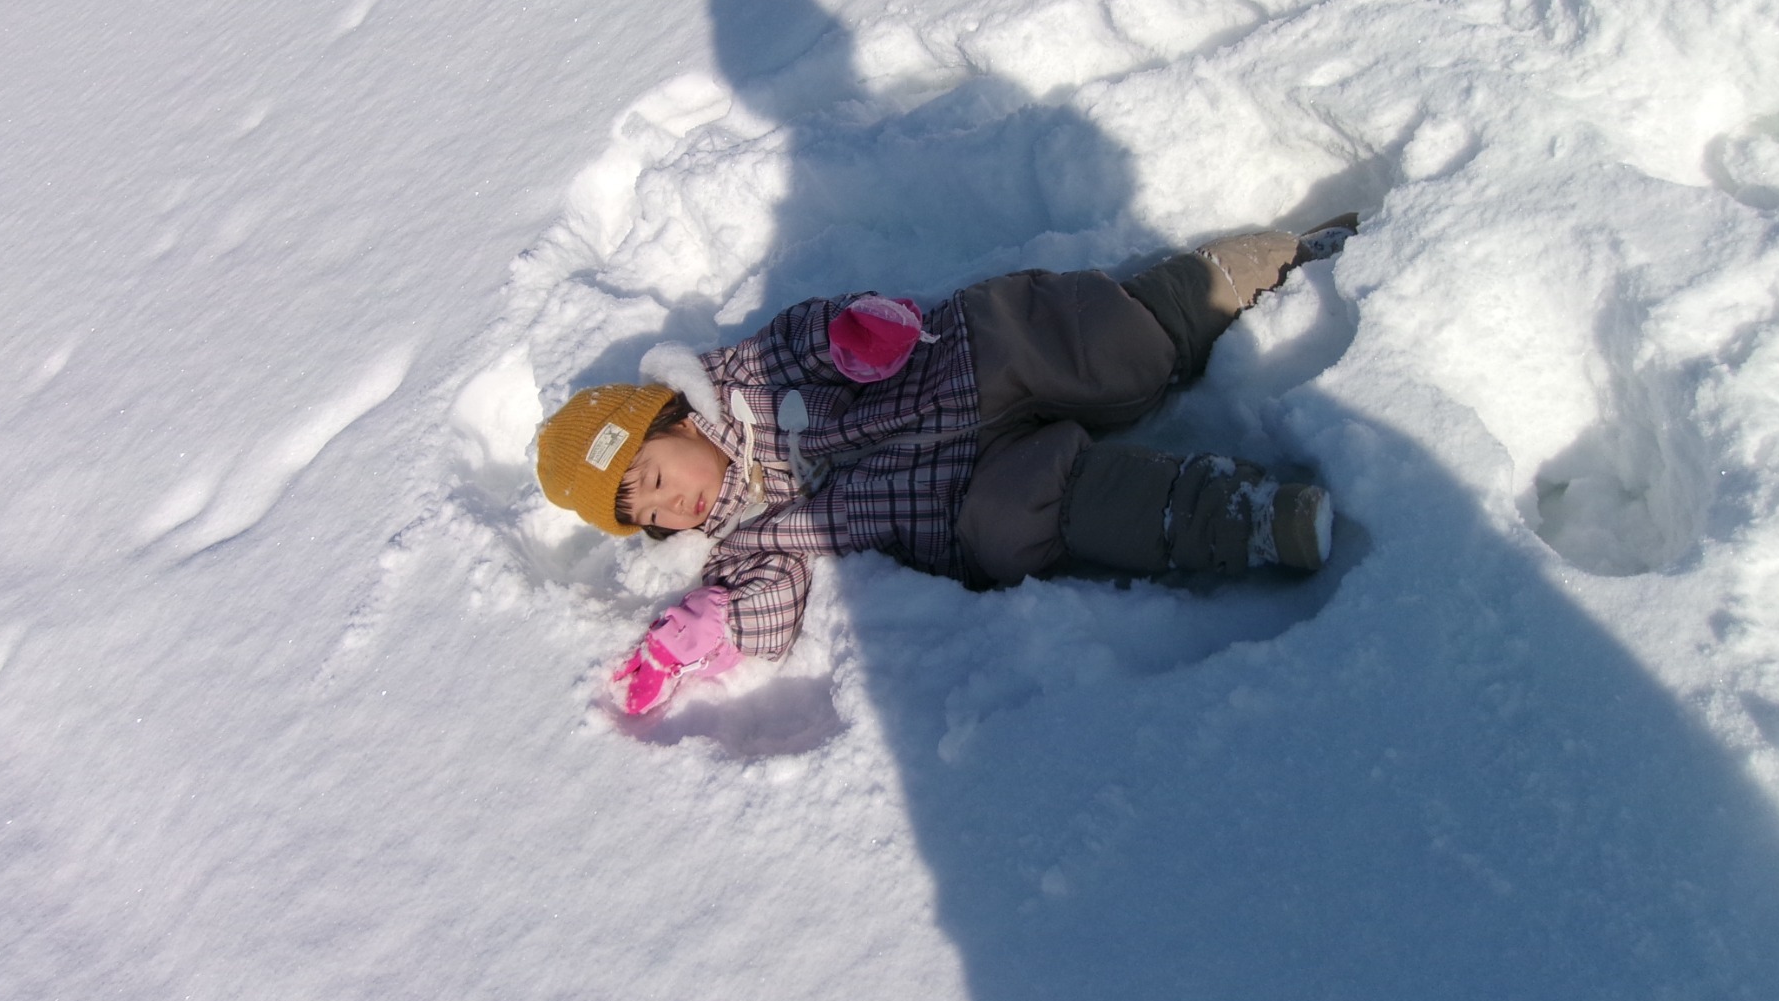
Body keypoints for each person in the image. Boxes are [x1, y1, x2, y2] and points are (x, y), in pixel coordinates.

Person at [535, 218, 1357, 714]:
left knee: (1117, 342)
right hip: (956, 497)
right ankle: (1253, 517)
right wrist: (701, 633)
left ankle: (1266, 263)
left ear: (669, 415)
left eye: (647, 477)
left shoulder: (753, 368)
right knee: (1031, 518)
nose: (666, 508)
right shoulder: (743, 543)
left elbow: (821, 331)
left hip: (976, 363)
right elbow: (773, 601)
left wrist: (860, 337)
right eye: (644, 517)